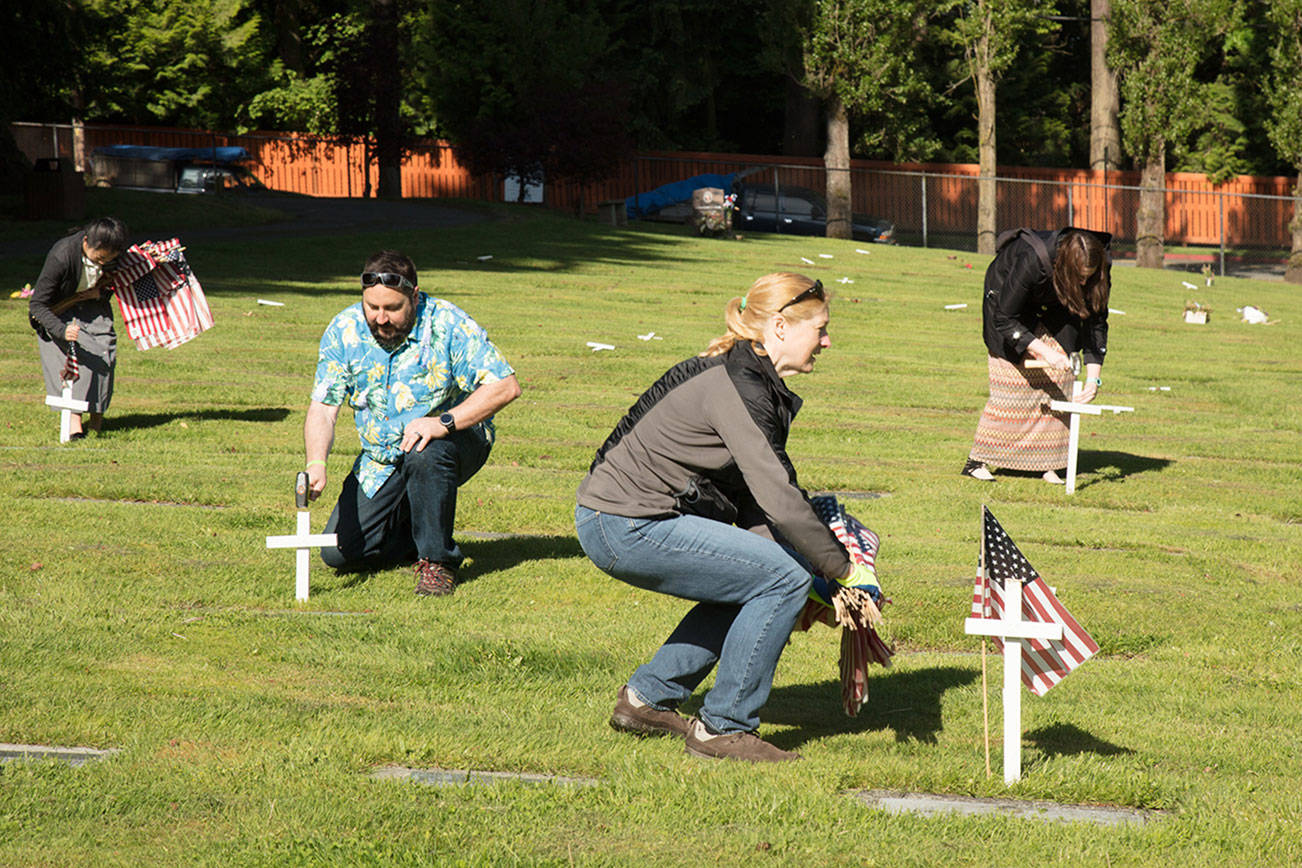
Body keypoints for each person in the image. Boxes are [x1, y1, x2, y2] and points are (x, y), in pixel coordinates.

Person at [574, 273, 877, 763]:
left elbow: (752, 497)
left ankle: (646, 699)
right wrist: (843, 569)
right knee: (781, 577)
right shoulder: (739, 384)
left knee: (764, 574)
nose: (827, 340)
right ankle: (723, 728)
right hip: (626, 523)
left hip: (620, 519)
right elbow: (778, 496)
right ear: (779, 326)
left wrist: (813, 567)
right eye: (820, 328)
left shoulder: (749, 376)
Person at [305, 250, 521, 596]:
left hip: (453, 439)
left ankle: (438, 562)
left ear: (415, 296)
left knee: (425, 452)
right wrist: (316, 463)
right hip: (381, 457)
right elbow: (323, 407)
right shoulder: (343, 330)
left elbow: (505, 386)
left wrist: (443, 422)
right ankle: (416, 534)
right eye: (372, 307)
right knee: (340, 555)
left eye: (392, 309)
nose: (380, 318)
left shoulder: (448, 323)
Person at [962, 227, 1112, 483]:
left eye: (1088, 278)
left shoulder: (1098, 267)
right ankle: (977, 461)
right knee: (1011, 383)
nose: (1085, 284)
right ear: (1064, 266)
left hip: (1057, 302)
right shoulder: (1033, 259)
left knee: (1059, 383)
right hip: (1007, 302)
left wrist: (1093, 378)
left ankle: (1046, 463)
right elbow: (1005, 317)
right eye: (1080, 277)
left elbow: (1096, 320)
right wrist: (1042, 351)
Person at [28, 217, 130, 440]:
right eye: (100, 257)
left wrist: (100, 293)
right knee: (77, 356)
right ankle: (75, 427)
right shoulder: (62, 256)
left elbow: (114, 282)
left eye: (109, 259)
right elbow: (37, 305)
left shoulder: (112, 255)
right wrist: (62, 330)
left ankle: (96, 421)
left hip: (92, 303)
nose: (104, 262)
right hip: (57, 310)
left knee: (105, 351)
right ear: (86, 242)